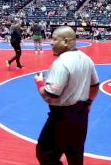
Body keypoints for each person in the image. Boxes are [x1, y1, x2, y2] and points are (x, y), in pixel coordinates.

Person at [34, 26, 100, 165]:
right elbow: (94, 86)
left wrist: (40, 83)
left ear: (65, 42)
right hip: (80, 114)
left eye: (54, 39)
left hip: (62, 117)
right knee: (75, 156)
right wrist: (88, 103)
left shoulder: (61, 63)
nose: (51, 43)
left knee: (45, 153)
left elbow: (51, 96)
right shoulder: (86, 58)